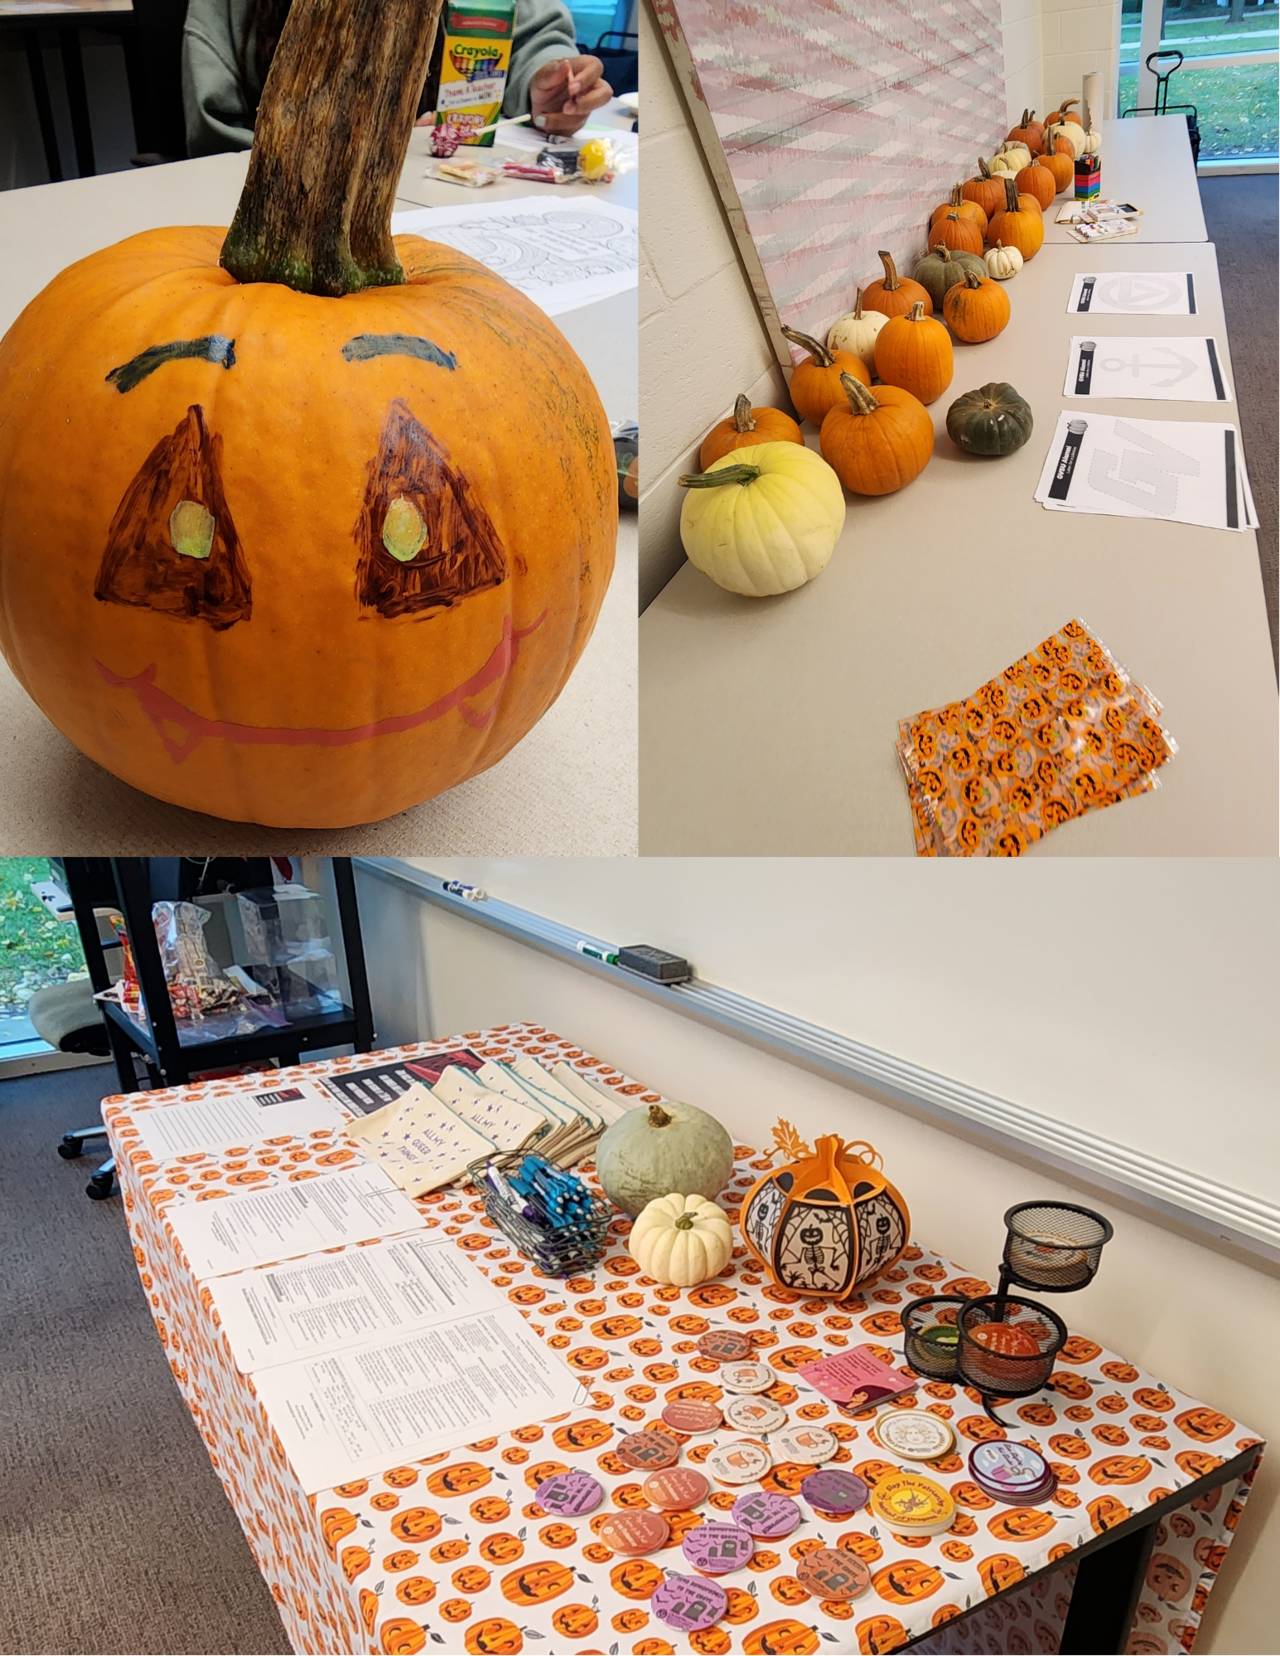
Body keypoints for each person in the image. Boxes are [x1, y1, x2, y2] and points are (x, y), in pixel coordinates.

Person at [182, 0, 612, 158]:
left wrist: (549, 81)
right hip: (281, 212)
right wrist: (364, 146)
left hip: (439, 193)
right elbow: (217, 139)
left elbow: (531, 33)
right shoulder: (225, 12)